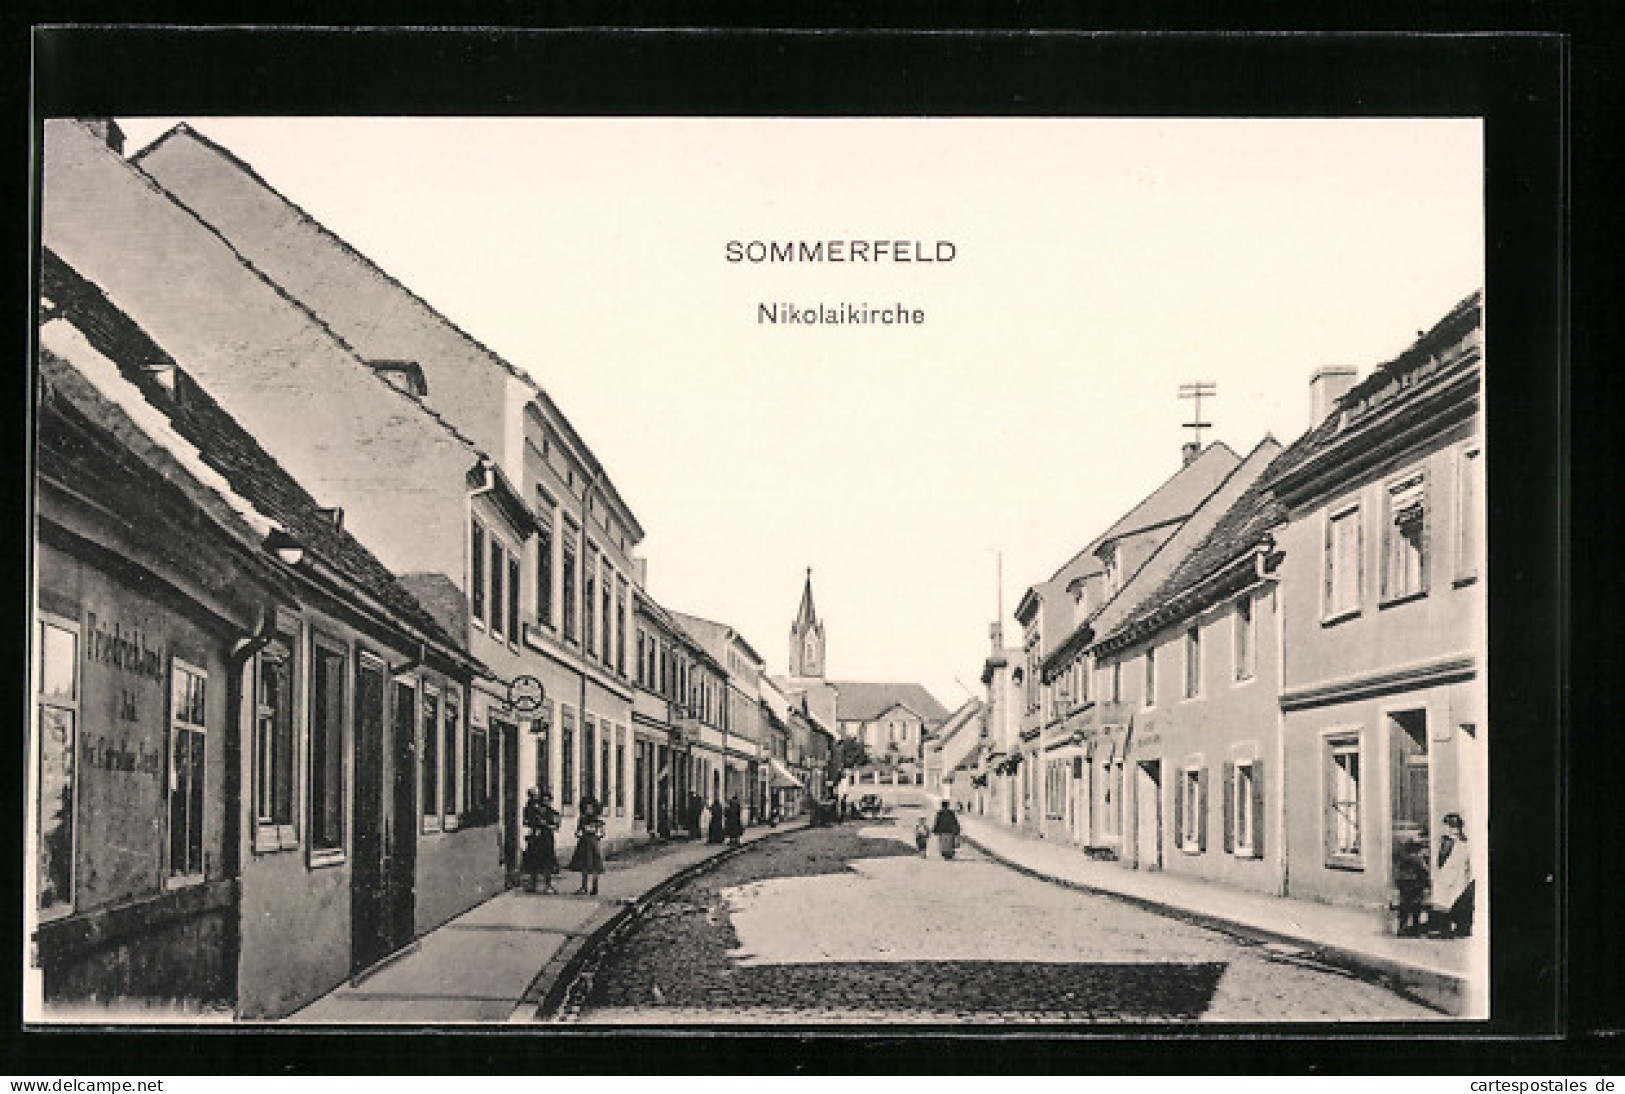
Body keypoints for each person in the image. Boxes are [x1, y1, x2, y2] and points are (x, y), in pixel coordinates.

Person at [1429, 812, 1474, 937]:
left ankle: (1457, 929)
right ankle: (1443, 929)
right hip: (1443, 878)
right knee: (1442, 903)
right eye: (1447, 826)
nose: (1449, 829)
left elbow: (1462, 864)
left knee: (1453, 902)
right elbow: (1439, 859)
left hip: (1455, 879)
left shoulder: (1463, 844)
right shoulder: (1444, 842)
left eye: (1452, 826)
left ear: (1457, 828)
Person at [521, 788, 561, 893]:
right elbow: (526, 821)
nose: (545, 802)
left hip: (547, 838)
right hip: (536, 838)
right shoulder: (534, 810)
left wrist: (547, 825)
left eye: (548, 800)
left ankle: (548, 885)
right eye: (544, 800)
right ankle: (533, 884)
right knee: (534, 861)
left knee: (548, 862)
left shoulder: (552, 813)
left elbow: (556, 826)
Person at [1391, 833, 1429, 936]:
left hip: (1404, 884)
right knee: (1416, 908)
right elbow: (1424, 871)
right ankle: (1415, 930)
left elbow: (1398, 871)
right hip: (1415, 885)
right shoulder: (1417, 858)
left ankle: (1402, 929)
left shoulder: (1404, 857)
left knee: (1404, 907)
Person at [568, 797, 606, 895]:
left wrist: (596, 833)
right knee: (584, 865)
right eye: (587, 808)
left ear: (594, 809)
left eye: (591, 808)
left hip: (593, 844)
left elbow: (602, 833)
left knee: (595, 866)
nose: (589, 810)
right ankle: (584, 887)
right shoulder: (582, 820)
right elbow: (577, 832)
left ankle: (595, 887)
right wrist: (579, 833)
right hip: (584, 843)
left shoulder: (598, 821)